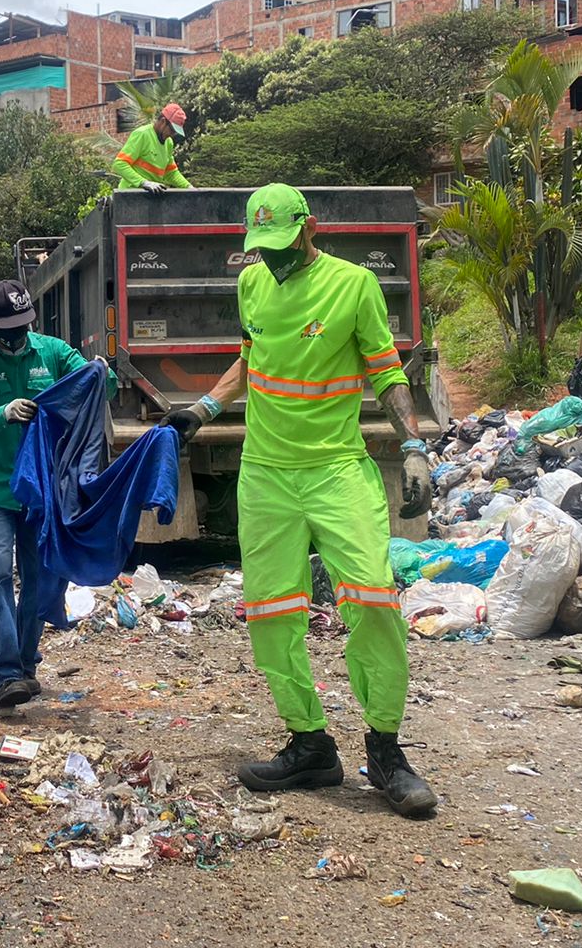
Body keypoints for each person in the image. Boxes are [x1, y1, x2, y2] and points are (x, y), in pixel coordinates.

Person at [162, 184, 438, 818]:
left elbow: (387, 372)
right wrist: (203, 409)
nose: (274, 260)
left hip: (337, 468)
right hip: (265, 475)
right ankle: (310, 744)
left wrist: (415, 446)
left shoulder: (353, 285)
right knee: (272, 612)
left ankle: (387, 752)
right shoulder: (252, 284)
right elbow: (250, 359)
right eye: (262, 249)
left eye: (283, 247)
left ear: (309, 228)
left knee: (371, 597)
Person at [0, 280, 114, 710]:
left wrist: (101, 371)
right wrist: (1, 412)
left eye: (21, 327)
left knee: (39, 578)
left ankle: (25, 665)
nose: (15, 337)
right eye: (6, 330)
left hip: (41, 488)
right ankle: (4, 675)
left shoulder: (53, 352)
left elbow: (102, 387)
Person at [111, 102, 192, 193]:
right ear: (163, 121)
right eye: (172, 130)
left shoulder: (168, 143)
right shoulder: (142, 134)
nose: (172, 134)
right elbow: (119, 164)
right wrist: (144, 183)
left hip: (151, 197)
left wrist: (189, 187)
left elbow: (171, 173)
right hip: (130, 196)